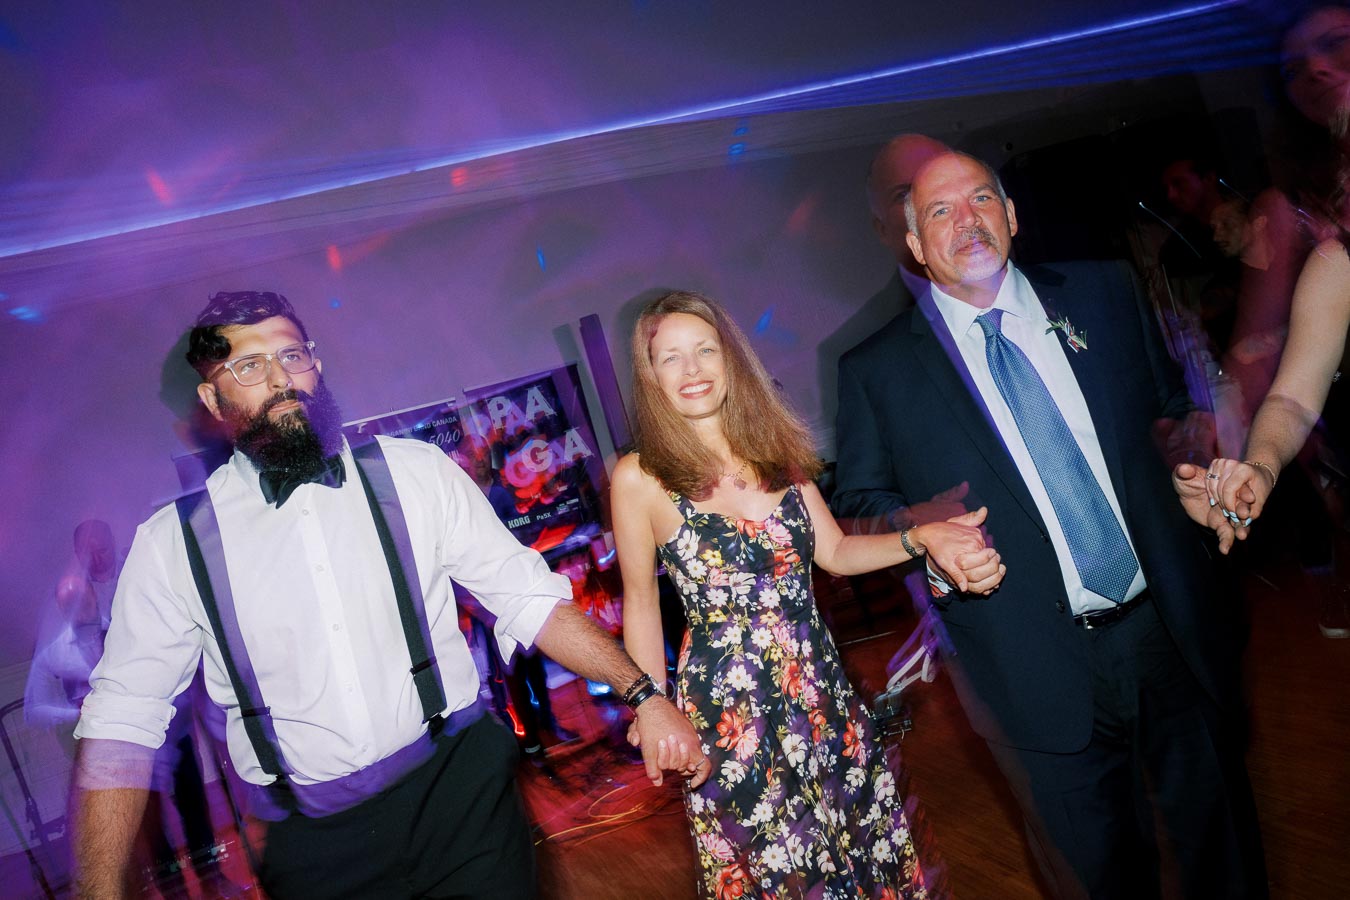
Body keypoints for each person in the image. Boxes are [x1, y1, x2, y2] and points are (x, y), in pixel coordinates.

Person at [71, 290, 708, 900]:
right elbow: (122, 719)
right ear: (212, 398)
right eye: (249, 365)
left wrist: (644, 696)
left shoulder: (414, 473)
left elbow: (529, 599)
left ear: (316, 364)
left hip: (462, 794)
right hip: (317, 847)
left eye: (291, 354)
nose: (281, 378)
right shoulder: (172, 546)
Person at [831, 151, 1267, 897]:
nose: (966, 221)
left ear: (1011, 215)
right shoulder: (878, 370)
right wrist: (927, 541)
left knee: (1222, 848)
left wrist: (1192, 473)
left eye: (981, 200)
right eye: (940, 211)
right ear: (914, 244)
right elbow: (862, 507)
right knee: (1098, 877)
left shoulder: (1104, 292)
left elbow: (1169, 413)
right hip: (1027, 664)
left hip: (1167, 629)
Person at [611, 290, 1004, 898]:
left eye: (705, 350)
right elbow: (640, 602)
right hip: (729, 714)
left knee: (865, 848)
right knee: (786, 872)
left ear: (731, 358)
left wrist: (920, 537)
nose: (691, 369)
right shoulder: (639, 477)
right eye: (671, 358)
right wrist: (651, 706)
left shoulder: (775, 449)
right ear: (651, 376)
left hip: (821, 691)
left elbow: (837, 551)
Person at [1187, 235, 1349, 607]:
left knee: (1318, 500)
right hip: (1273, 416)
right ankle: (1326, 589)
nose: (1218, 232)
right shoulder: (1335, 261)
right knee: (1314, 500)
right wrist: (1262, 464)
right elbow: (1293, 397)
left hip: (1279, 412)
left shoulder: (1279, 264)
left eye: (1224, 223)